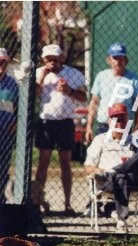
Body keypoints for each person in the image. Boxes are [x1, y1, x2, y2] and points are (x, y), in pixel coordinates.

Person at [35, 44, 87, 214]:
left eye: (55, 60)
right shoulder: (40, 73)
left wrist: (69, 91)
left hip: (65, 122)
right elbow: (33, 95)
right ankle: (37, 201)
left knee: (66, 163)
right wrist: (41, 77)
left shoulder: (73, 74)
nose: (52, 63)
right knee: (43, 162)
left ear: (61, 59)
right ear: (44, 60)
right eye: (48, 60)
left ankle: (67, 203)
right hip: (46, 122)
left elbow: (84, 97)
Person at [84, 103, 138, 233]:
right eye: (116, 119)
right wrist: (97, 171)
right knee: (121, 177)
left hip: (133, 181)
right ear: (109, 121)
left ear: (127, 121)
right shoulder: (100, 140)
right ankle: (122, 221)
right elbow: (88, 166)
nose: (119, 122)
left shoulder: (135, 141)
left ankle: (115, 172)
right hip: (107, 182)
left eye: (122, 119)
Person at [85, 42, 138, 142]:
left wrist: (136, 129)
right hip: (103, 126)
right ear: (109, 60)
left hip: (123, 126)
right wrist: (89, 126)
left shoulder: (134, 79)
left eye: (121, 58)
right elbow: (94, 103)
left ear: (126, 60)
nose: (118, 61)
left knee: (123, 155)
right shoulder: (101, 76)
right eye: (115, 58)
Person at [0, 48, 19, 204]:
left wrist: (14, 124)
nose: (1, 66)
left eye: (4, 62)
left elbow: (19, 107)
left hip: (5, 131)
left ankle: (1, 198)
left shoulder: (12, 83)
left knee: (3, 167)